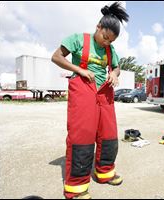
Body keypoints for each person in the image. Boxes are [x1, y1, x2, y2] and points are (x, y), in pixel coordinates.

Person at [51, 2, 129, 199]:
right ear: (98, 27)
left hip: (105, 92)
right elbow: (56, 57)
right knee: (82, 136)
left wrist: (114, 72)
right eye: (104, 37)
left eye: (110, 41)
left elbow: (117, 67)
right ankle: (77, 186)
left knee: (109, 133)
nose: (106, 42)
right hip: (83, 89)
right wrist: (80, 70)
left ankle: (104, 172)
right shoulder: (78, 39)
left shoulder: (110, 50)